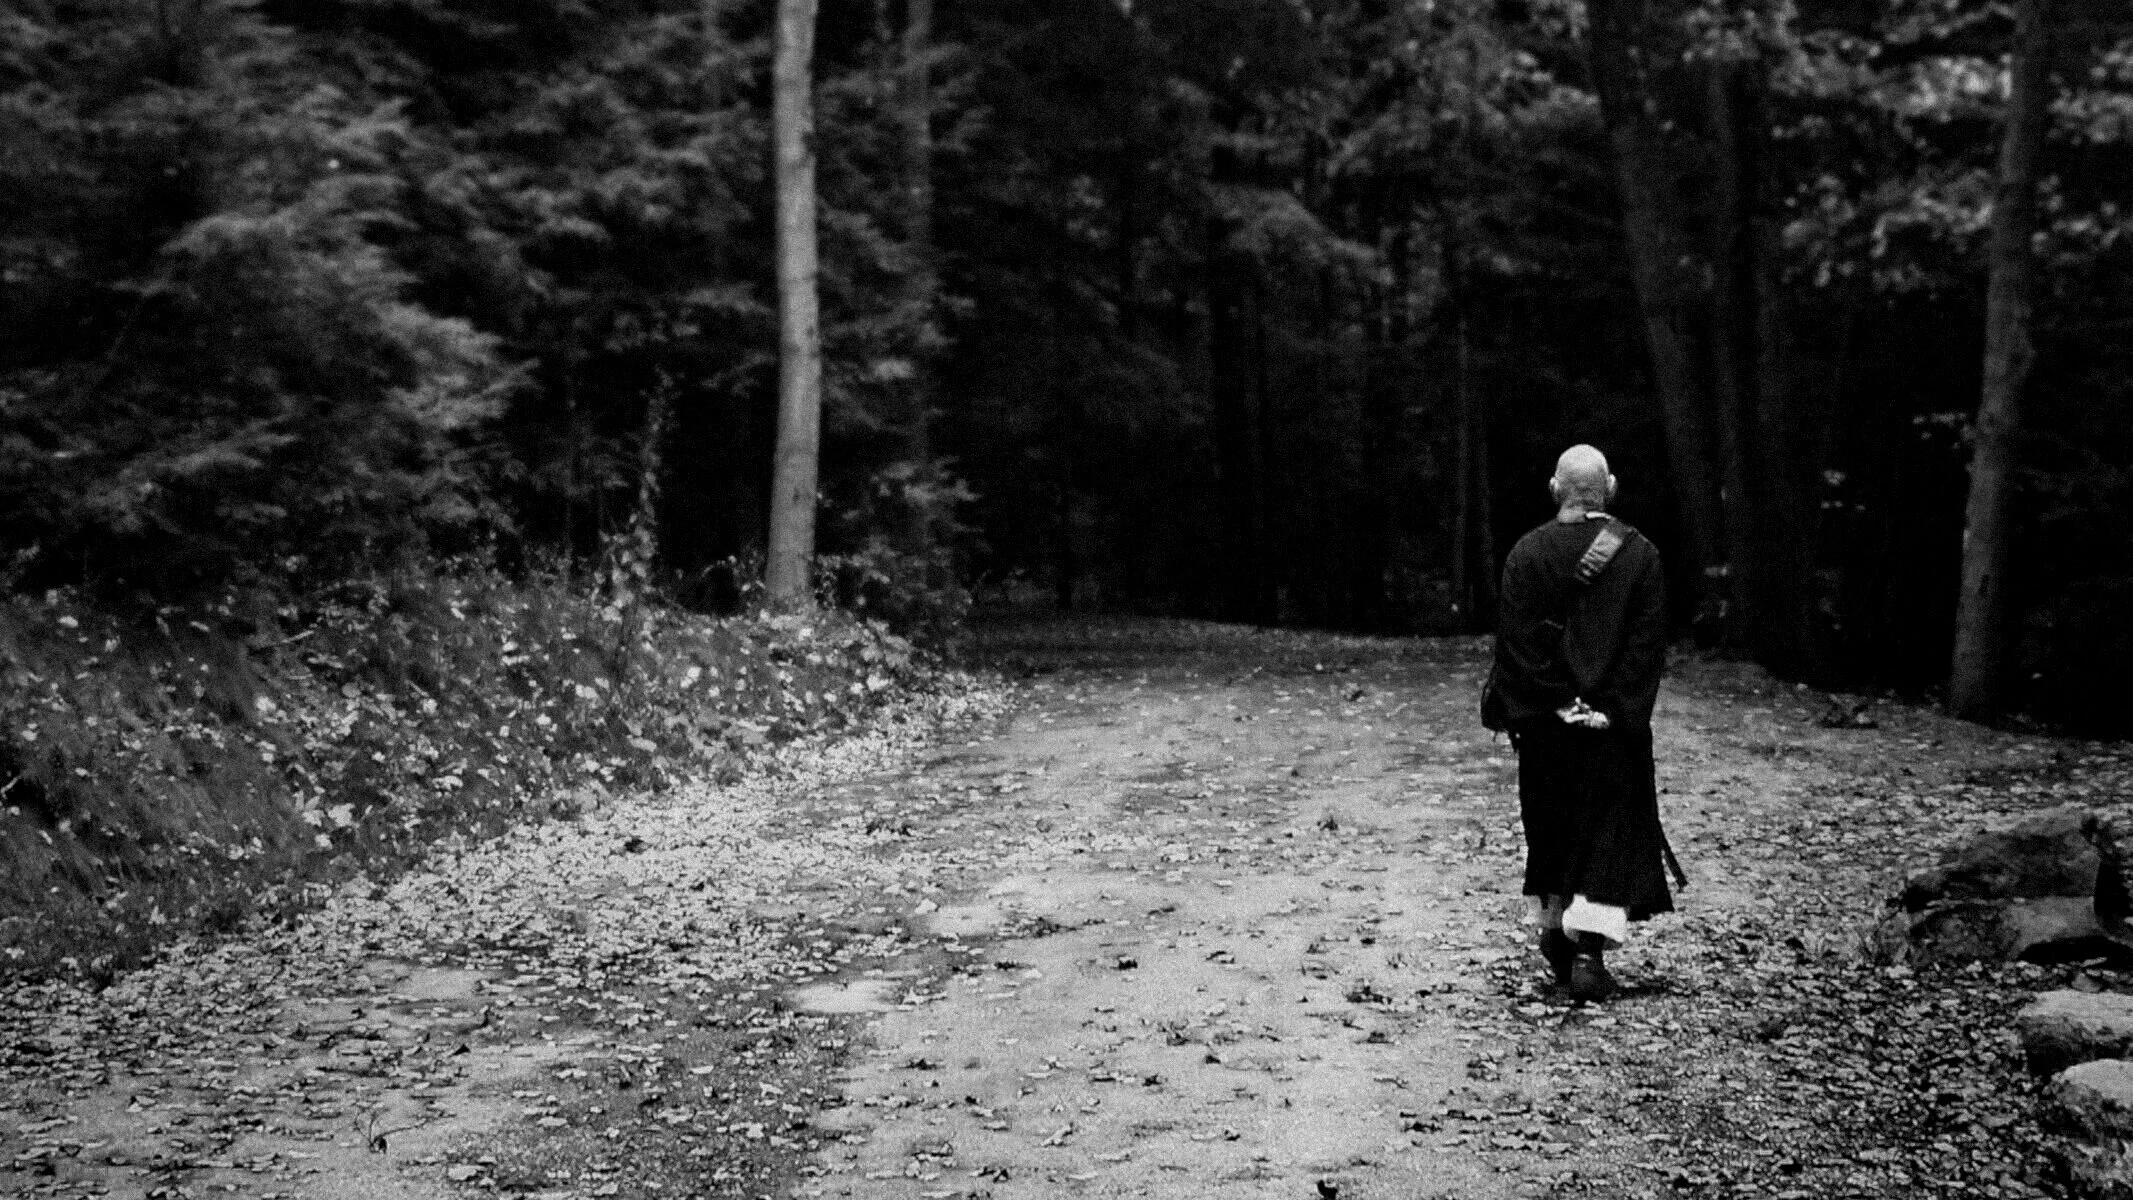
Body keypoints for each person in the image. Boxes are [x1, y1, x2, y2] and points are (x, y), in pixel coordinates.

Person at [1483, 444, 1674, 1002]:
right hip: (1609, 729)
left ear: (1554, 489)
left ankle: (1555, 937)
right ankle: (1588, 952)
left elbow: (1516, 647)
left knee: (1550, 825)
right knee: (1608, 831)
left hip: (1546, 725)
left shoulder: (1525, 554)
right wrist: (1610, 709)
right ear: (1609, 489)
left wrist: (1556, 703)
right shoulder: (1639, 555)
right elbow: (1645, 650)